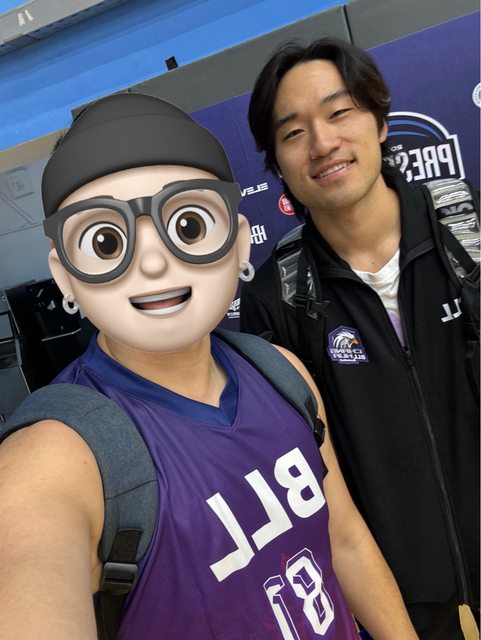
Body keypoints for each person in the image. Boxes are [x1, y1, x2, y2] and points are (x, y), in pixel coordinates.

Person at [0, 92, 418, 639]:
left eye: (189, 226)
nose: (153, 262)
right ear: (66, 276)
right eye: (106, 241)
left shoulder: (282, 373)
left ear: (239, 242)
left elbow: (344, 540)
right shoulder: (54, 459)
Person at [240, 37, 480, 639]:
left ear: (380, 120)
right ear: (277, 163)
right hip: (395, 588)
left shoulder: (472, 232)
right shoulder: (278, 298)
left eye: (339, 112)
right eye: (293, 132)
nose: (323, 143)